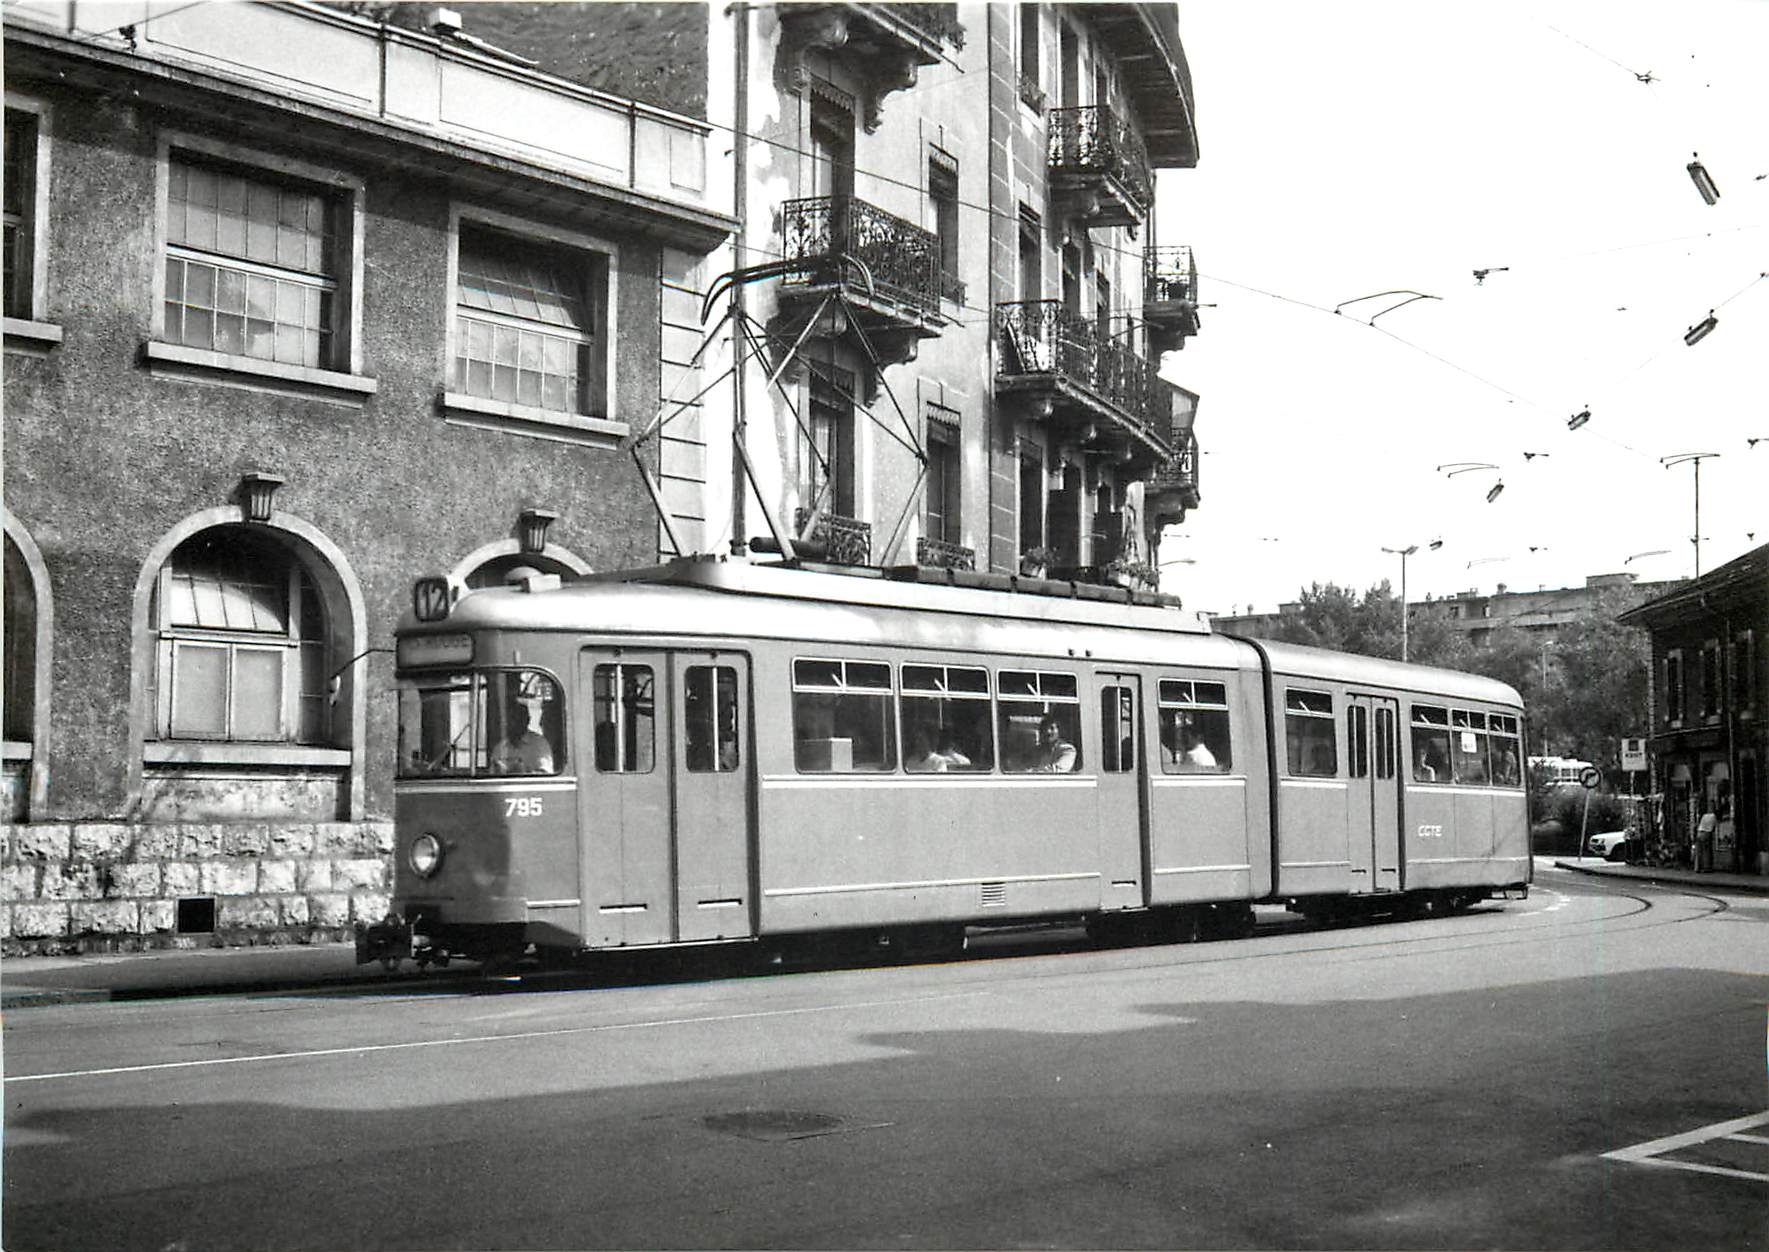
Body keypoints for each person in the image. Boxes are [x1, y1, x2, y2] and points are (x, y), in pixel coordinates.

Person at [491, 696, 555, 774]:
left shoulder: (539, 744)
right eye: (510, 719)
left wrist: (524, 772)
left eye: (517, 719)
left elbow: (546, 774)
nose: (513, 723)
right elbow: (492, 775)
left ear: (527, 720)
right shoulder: (499, 749)